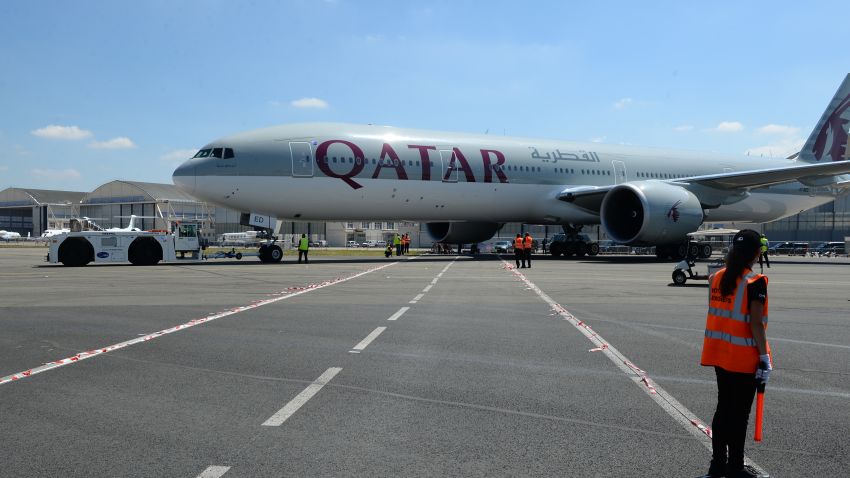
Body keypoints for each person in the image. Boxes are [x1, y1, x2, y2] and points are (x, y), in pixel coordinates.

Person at [698, 229, 771, 478]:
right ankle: (736, 467)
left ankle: (718, 465)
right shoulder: (755, 282)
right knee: (739, 415)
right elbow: (755, 323)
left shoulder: (716, 278)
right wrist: (764, 356)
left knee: (723, 409)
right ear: (756, 253)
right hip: (743, 358)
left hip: (719, 354)